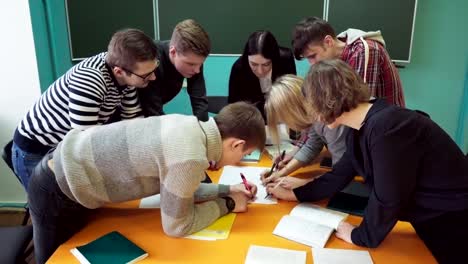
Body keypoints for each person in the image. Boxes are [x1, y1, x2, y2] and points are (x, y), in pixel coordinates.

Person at [266, 59, 468, 264]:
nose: (312, 115)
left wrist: (359, 235)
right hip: (430, 217)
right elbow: (338, 176)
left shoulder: (387, 128)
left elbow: (388, 196)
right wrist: (296, 194)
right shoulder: (361, 129)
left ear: (325, 103)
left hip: (452, 220)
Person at [28, 102, 265, 263]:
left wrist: (228, 189)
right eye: (244, 155)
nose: (240, 161)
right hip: (57, 190)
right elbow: (177, 226)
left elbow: (179, 190)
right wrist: (229, 205)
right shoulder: (190, 156)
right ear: (236, 144)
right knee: (54, 260)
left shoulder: (190, 126)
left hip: (65, 172)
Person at [12, 28, 158, 189]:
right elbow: (86, 144)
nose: (153, 77)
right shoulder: (89, 80)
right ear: (119, 71)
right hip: (37, 150)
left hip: (64, 148)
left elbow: (134, 122)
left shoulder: (127, 71)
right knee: (48, 210)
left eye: (153, 70)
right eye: (146, 75)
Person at [292, 16, 405, 107]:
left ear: (328, 42)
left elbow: (360, 104)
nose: (312, 64)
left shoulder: (364, 50)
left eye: (313, 56)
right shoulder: (333, 60)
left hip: (388, 127)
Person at [260, 74, 349, 189]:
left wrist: (305, 183)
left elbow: (342, 174)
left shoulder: (330, 121)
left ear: (294, 111)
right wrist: (280, 174)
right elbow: (312, 145)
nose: (287, 124)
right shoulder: (315, 116)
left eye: (284, 119)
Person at [138, 19, 210, 121]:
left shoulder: (194, 61)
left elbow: (199, 101)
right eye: (191, 64)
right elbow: (154, 114)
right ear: (173, 52)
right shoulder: (151, 62)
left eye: (200, 64)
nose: (197, 70)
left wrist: (204, 130)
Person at [228, 30, 296, 120]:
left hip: (281, 115)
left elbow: (291, 95)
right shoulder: (239, 68)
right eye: (254, 64)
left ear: (274, 58)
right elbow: (234, 106)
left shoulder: (285, 59)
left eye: (266, 64)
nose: (260, 71)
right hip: (252, 119)